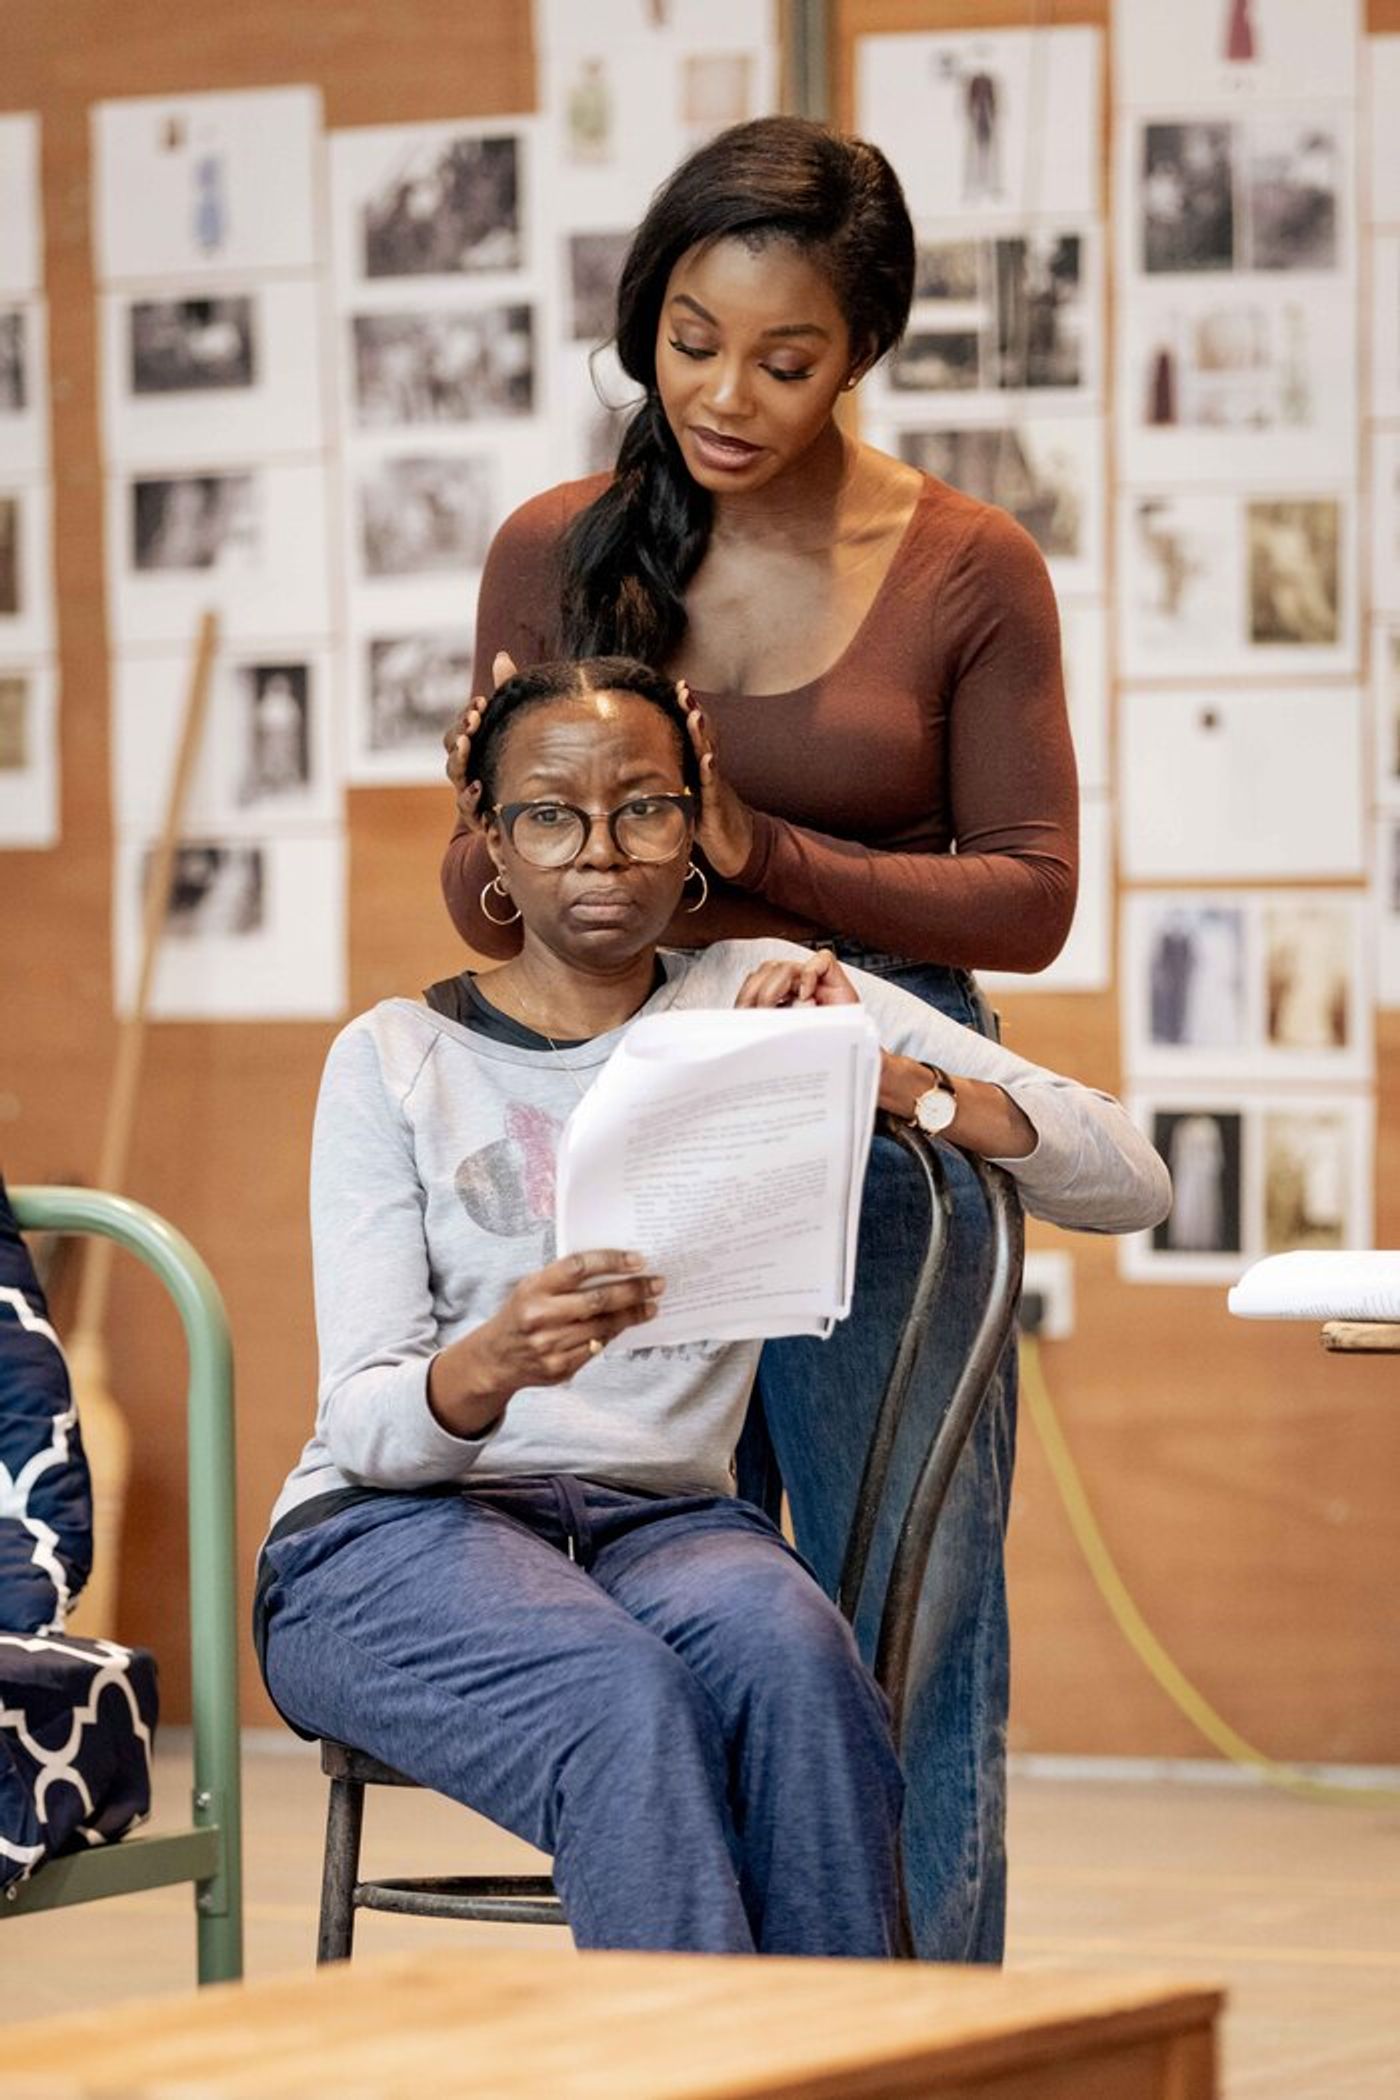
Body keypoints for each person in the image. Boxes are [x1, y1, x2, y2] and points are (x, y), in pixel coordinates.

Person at [257, 657, 1170, 1959]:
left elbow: (1130, 1177)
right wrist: (491, 1365)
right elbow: (368, 1434)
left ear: (695, 830)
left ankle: (835, 2067)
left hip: (662, 1527)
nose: (601, 855)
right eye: (549, 817)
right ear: (491, 846)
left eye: (645, 810)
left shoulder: (766, 998)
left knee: (805, 1673)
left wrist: (883, 1075)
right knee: (619, 1698)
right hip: (393, 1534)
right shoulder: (395, 1059)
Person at [439, 115, 1079, 1961]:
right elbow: (483, 919)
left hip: (880, 1123)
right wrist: (505, 834)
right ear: (648, 314)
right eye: (691, 339)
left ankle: (921, 2035)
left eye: (787, 361)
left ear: (861, 352)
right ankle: (702, 2021)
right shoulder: (556, 547)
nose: (726, 393)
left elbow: (1028, 898)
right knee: (664, 1580)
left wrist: (759, 853)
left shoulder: (965, 565)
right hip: (622, 1108)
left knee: (910, 1609)